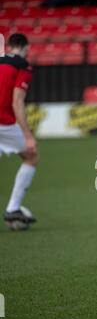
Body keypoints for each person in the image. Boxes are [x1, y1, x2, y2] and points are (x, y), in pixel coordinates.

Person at [0, 34, 38, 228]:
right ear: (25, 47)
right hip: (4, 123)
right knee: (31, 156)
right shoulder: (22, 65)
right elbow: (17, 102)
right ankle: (13, 207)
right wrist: (28, 135)